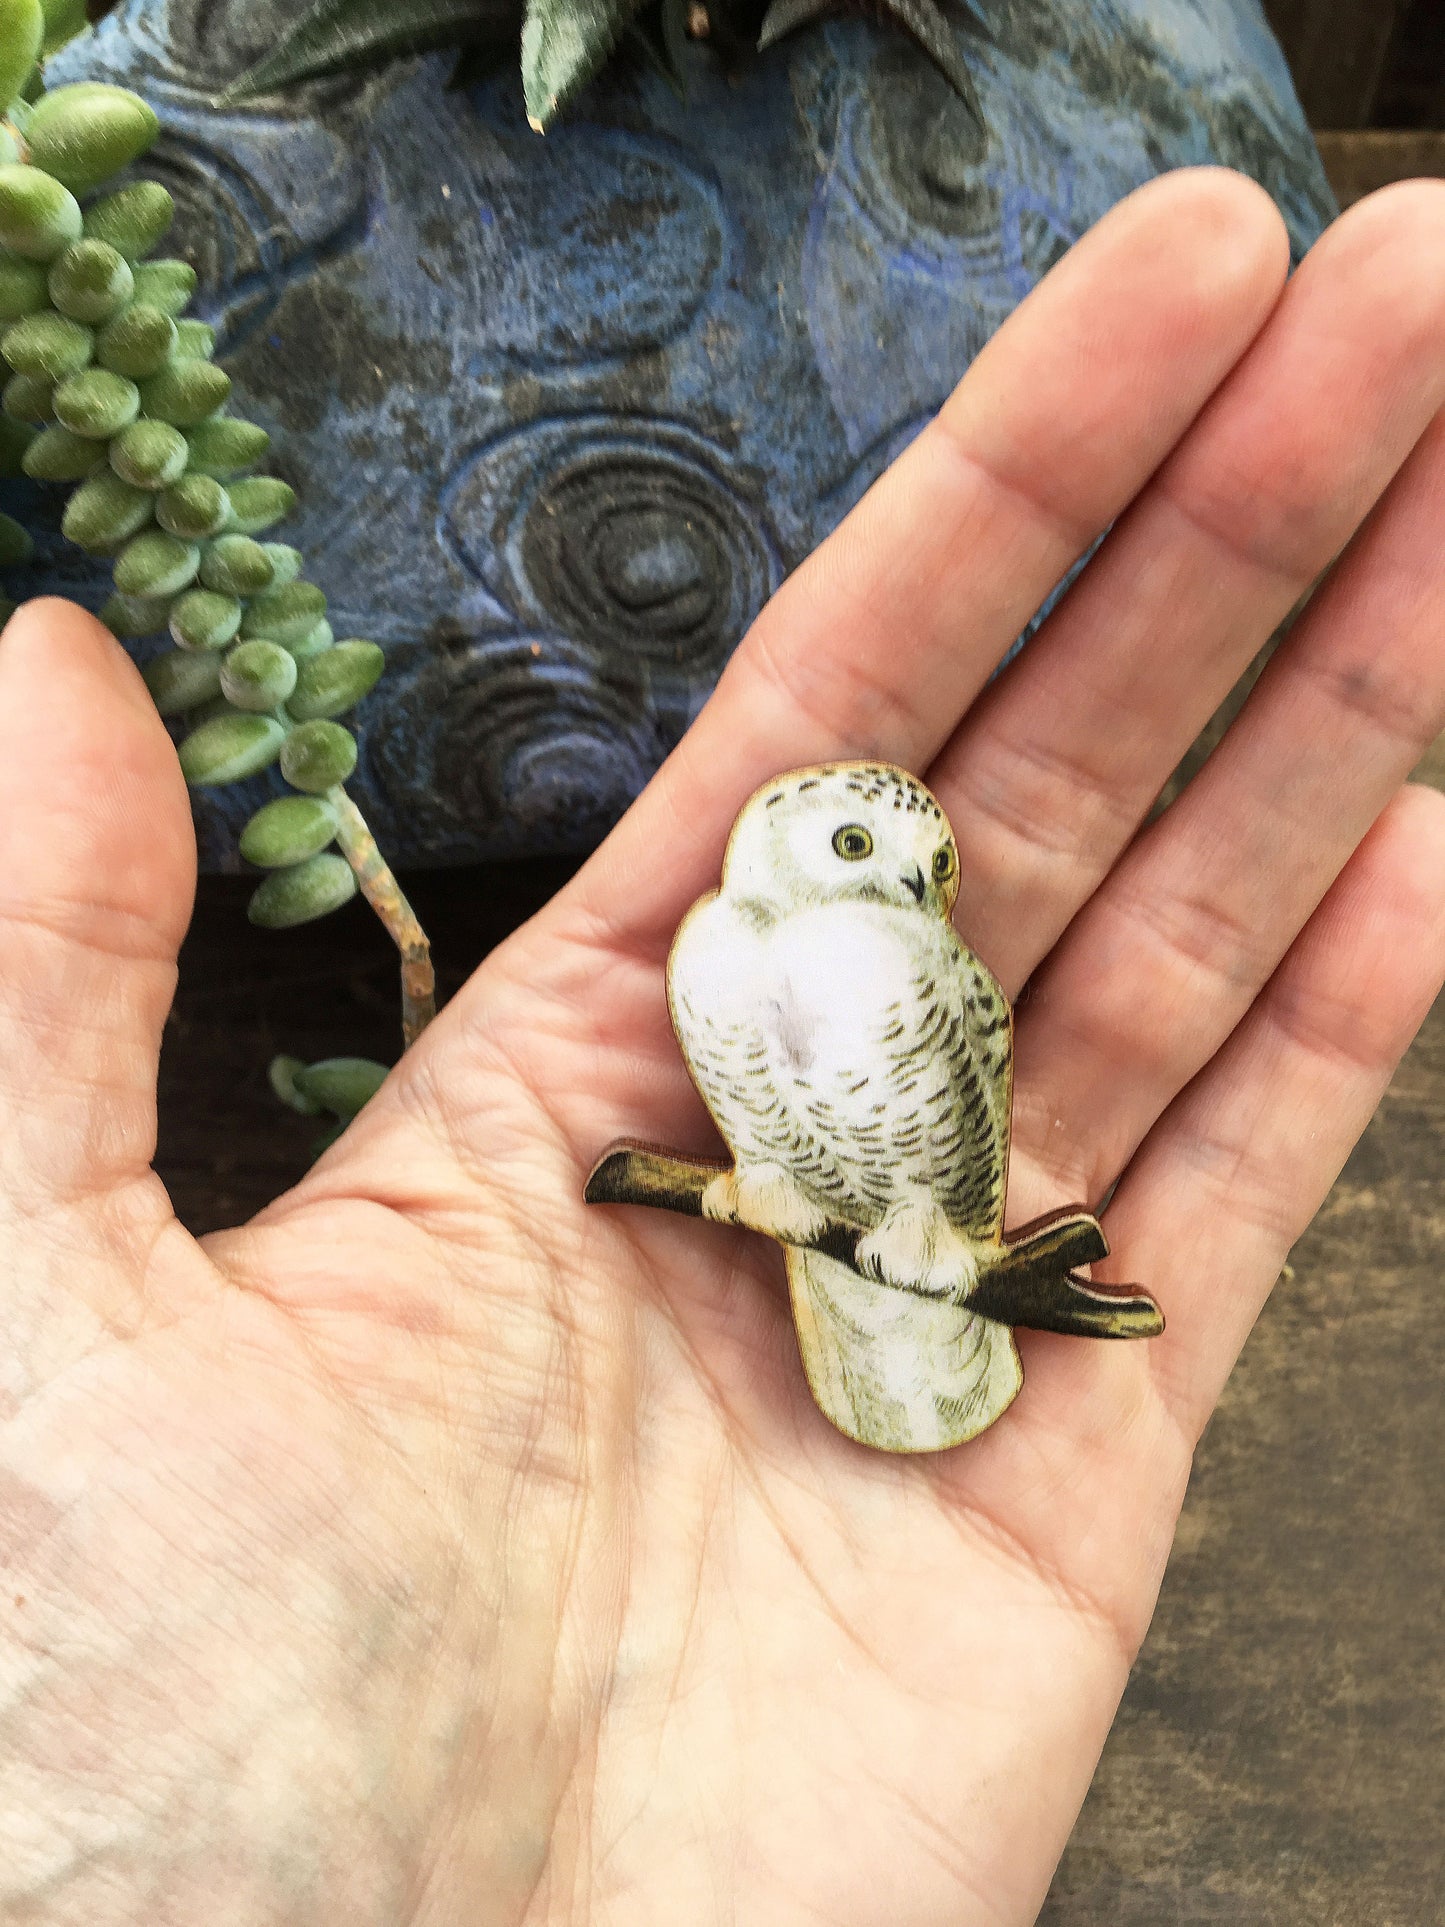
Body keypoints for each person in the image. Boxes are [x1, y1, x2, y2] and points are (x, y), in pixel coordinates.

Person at [3, 165, 1444, 1923]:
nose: (907, 883)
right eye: (876, 854)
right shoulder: (715, 955)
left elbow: (956, 1126)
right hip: (801, 1237)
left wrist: (924, 1241)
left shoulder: (932, 972)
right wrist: (774, 1209)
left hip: (922, 1253)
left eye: (913, 865)